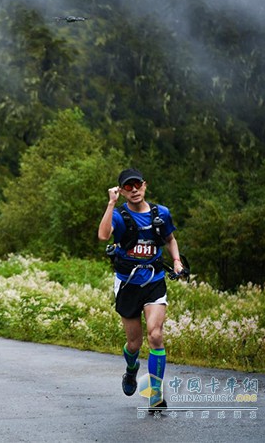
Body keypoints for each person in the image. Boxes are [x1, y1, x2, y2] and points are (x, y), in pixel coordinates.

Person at [98, 168, 184, 413]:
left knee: (155, 335)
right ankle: (131, 370)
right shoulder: (118, 215)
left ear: (145, 186)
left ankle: (155, 394)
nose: (134, 190)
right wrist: (110, 204)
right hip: (128, 284)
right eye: (128, 187)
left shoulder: (161, 213)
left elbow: (169, 239)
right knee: (134, 344)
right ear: (121, 191)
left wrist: (176, 261)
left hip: (154, 280)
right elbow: (103, 235)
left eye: (137, 185)